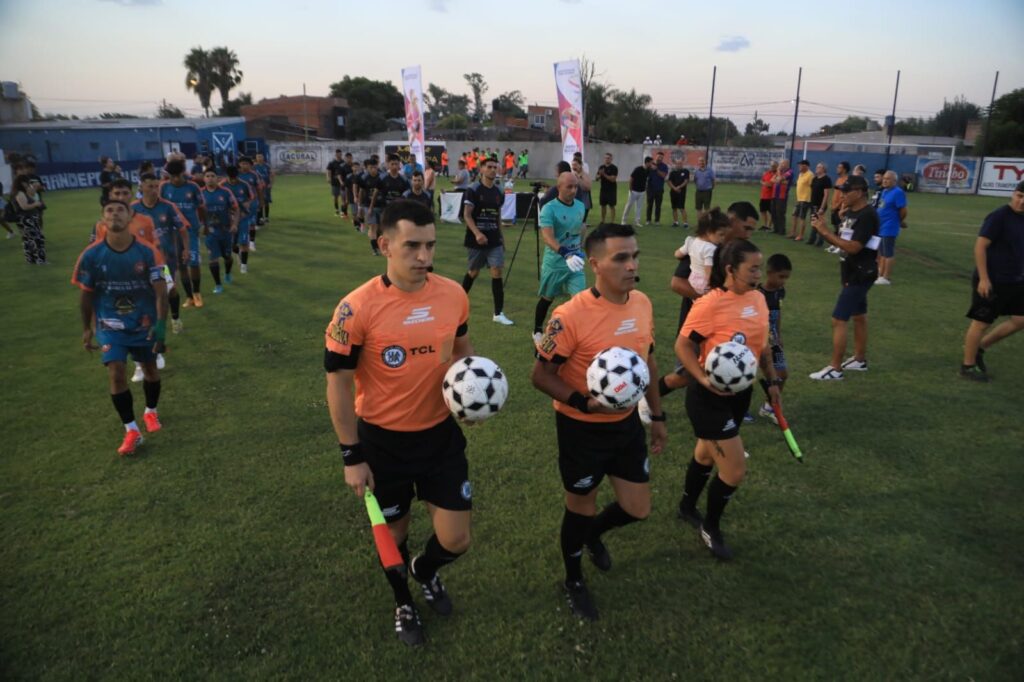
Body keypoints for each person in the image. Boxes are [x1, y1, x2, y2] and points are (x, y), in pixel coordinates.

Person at [324, 199, 476, 647]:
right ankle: (403, 601)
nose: (424, 256)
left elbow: (462, 349)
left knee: (457, 539)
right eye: (412, 246)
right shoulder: (356, 308)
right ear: (384, 245)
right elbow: (338, 384)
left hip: (440, 437)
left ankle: (424, 571)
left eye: (430, 245)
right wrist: (351, 456)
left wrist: (469, 394)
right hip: (382, 444)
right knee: (395, 536)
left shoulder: (453, 294)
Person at [531, 222, 667, 620]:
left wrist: (657, 415)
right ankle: (573, 579)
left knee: (637, 508)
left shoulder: (642, 303)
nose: (632, 265)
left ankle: (591, 536)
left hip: (626, 426)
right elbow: (541, 375)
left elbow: (648, 363)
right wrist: (585, 404)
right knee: (581, 507)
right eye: (621, 258)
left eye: (634, 256)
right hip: (581, 429)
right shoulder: (569, 316)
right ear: (595, 264)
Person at [675, 238, 780, 559]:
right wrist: (702, 378)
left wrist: (772, 381)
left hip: (740, 394)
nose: (759, 274)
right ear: (731, 269)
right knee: (734, 471)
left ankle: (686, 507)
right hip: (708, 398)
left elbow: (762, 346)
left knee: (706, 455)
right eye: (753, 268)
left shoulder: (759, 299)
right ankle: (711, 527)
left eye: (760, 268)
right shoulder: (710, 303)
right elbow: (683, 345)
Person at [72, 199, 169, 456]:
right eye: (109, 210)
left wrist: (160, 327)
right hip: (109, 325)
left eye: (120, 210)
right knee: (116, 372)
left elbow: (161, 293)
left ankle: (150, 411)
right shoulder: (91, 255)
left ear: (129, 218)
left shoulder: (148, 252)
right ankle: (131, 430)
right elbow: (86, 293)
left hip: (143, 323)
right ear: (103, 220)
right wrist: (86, 328)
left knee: (150, 370)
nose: (115, 214)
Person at [658, 202, 759, 398]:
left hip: (728, 324)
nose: (748, 235)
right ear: (731, 221)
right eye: (746, 228)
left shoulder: (741, 253)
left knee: (734, 364)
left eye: (751, 230)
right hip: (697, 321)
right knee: (686, 374)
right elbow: (677, 283)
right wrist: (709, 301)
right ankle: (649, 398)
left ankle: (733, 407)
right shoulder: (704, 247)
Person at [808, 175, 880, 380]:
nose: (842, 195)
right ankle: (859, 359)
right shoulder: (851, 212)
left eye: (846, 191)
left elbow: (854, 247)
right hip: (851, 271)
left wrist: (824, 231)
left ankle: (835, 368)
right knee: (859, 316)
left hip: (860, 274)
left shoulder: (867, 215)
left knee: (839, 319)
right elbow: (842, 240)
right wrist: (826, 227)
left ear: (859, 192)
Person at [959, 181, 1024, 382]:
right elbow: (980, 247)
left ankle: (980, 347)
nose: (1022, 201)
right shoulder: (999, 216)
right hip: (993, 279)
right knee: (981, 322)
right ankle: (968, 366)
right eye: (1020, 196)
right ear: (1013, 194)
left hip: (1016, 279)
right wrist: (984, 279)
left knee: (1021, 320)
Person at [533, 172, 587, 342]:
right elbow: (547, 237)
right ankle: (537, 330)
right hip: (555, 263)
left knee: (580, 301)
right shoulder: (549, 209)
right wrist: (565, 253)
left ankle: (577, 335)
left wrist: (581, 248)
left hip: (575, 263)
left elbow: (582, 227)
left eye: (576, 187)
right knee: (547, 298)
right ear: (559, 187)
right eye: (569, 187)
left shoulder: (580, 206)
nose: (573, 190)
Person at [461, 156, 514, 325]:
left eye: (494, 167)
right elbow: (467, 215)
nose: (492, 170)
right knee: (473, 272)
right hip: (476, 240)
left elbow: (497, 215)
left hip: (494, 239)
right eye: (489, 167)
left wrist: (501, 237)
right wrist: (477, 233)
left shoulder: (499, 191)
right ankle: (457, 302)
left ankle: (498, 313)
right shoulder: (473, 189)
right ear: (481, 169)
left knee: (497, 271)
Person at [160, 160, 205, 307]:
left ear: (183, 173)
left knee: (193, 262)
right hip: (172, 232)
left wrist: (204, 224)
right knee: (181, 265)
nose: (175, 179)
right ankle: (189, 297)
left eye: (177, 176)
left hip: (190, 230)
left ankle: (197, 293)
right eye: (172, 176)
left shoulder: (193, 187)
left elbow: (201, 206)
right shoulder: (164, 187)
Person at [756, 254, 792, 423]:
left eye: (786, 277)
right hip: (757, 341)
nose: (783, 281)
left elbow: (777, 313)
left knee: (782, 374)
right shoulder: (757, 293)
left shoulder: (780, 292)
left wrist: (778, 334)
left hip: (773, 340)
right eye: (781, 276)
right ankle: (737, 410)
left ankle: (768, 407)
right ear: (769, 273)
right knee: (746, 375)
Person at [200, 168, 240, 295]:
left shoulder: (225, 192)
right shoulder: (200, 193)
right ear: (204, 179)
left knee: (227, 257)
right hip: (210, 231)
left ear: (217, 178)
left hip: (225, 230)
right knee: (213, 258)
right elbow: (196, 211)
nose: (210, 178)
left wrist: (234, 224)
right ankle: (218, 284)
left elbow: (236, 209)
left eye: (213, 176)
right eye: (207, 176)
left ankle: (227, 273)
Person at [676, 208, 730, 296]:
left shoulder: (691, 241)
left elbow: (677, 254)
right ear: (708, 232)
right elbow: (708, 270)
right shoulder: (710, 249)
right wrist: (710, 286)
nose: (723, 238)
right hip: (703, 284)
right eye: (721, 234)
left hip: (692, 281)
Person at [221, 165, 256, 273]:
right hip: (229, 219)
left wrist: (247, 204)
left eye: (235, 178)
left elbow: (251, 197)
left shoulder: (244, 185)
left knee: (244, 242)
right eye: (231, 178)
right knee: (232, 244)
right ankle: (237, 253)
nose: (233, 180)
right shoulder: (222, 185)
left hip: (243, 217)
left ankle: (244, 265)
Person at [875, 170, 908, 285]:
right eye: (884, 178)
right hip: (881, 226)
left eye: (888, 179)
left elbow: (903, 210)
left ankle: (886, 277)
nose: (885, 180)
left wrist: (899, 221)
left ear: (894, 181)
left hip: (889, 226)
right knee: (881, 252)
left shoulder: (898, 192)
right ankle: (880, 274)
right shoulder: (884, 191)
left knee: (887, 253)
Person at [11, 174, 47, 264]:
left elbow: (33, 195)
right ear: (21, 183)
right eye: (26, 182)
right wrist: (36, 204)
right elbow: (24, 206)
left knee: (28, 240)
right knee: (37, 239)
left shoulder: (22, 192)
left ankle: (31, 260)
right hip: (26, 219)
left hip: (27, 218)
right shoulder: (19, 193)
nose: (28, 184)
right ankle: (41, 260)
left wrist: (33, 188)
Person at [237, 157, 265, 252]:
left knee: (252, 223)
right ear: (239, 164)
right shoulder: (237, 175)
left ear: (250, 165)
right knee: (239, 223)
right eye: (242, 163)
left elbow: (259, 189)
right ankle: (241, 242)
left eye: (246, 164)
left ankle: (252, 242)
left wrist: (261, 202)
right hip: (240, 203)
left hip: (252, 202)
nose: (244, 165)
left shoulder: (254, 175)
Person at [358, 158, 384, 255]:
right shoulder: (364, 178)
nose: (373, 169)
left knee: (380, 228)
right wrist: (360, 206)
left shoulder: (382, 177)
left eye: (374, 167)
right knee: (373, 226)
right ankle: (374, 249)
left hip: (381, 205)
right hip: (368, 205)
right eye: (371, 167)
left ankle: (378, 243)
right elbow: (361, 192)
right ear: (367, 168)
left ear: (377, 167)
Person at [826, 162, 851, 254]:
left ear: (844, 169)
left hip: (840, 208)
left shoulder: (847, 180)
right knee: (835, 227)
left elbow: (843, 195)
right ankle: (834, 244)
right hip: (834, 207)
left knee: (841, 227)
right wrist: (832, 204)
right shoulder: (838, 179)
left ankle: (840, 246)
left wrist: (837, 206)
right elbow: (836, 193)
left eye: (839, 167)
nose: (837, 168)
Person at [806, 163, 832, 247]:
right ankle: (812, 239)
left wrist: (822, 207)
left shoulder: (826, 179)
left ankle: (820, 241)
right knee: (814, 222)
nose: (817, 168)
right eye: (817, 166)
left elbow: (826, 194)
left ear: (823, 169)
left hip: (820, 205)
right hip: (813, 204)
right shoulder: (815, 179)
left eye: (819, 167)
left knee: (820, 223)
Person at [621, 157, 651, 227]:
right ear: (647, 162)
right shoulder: (638, 169)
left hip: (642, 191)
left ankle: (637, 221)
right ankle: (623, 221)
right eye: (651, 163)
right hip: (634, 191)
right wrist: (630, 188)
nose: (651, 164)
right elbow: (631, 178)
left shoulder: (648, 170)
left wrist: (645, 188)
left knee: (639, 207)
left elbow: (646, 179)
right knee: (629, 205)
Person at [790, 159, 813, 240]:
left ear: (805, 166)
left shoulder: (810, 175)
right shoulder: (800, 174)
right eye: (799, 165)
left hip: (805, 199)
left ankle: (801, 235)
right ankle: (793, 233)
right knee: (794, 215)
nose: (799, 166)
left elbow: (812, 187)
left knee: (802, 217)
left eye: (800, 165)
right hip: (799, 199)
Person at [645, 152, 669, 225]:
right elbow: (645, 174)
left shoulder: (664, 166)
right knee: (649, 205)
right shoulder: (650, 164)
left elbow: (663, 175)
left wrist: (656, 169)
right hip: (650, 189)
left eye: (661, 157)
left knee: (658, 206)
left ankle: (657, 221)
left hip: (659, 189)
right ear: (656, 156)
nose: (660, 158)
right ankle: (648, 220)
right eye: (659, 157)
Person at [771, 159, 793, 236]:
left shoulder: (789, 172)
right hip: (774, 195)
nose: (781, 165)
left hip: (782, 196)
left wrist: (779, 175)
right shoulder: (780, 172)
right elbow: (772, 180)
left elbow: (779, 179)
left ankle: (782, 230)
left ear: (787, 164)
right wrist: (780, 180)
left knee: (780, 213)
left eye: (782, 164)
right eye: (780, 164)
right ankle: (776, 228)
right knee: (773, 212)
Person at [667, 158, 690, 228]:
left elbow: (686, 181)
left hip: (681, 192)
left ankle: (685, 223)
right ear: (675, 164)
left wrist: (679, 187)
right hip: (673, 192)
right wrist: (674, 188)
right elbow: (669, 182)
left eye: (680, 163)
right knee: (674, 208)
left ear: (682, 164)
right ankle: (675, 222)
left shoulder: (686, 171)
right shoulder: (672, 172)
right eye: (677, 163)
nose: (678, 165)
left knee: (682, 208)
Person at [596, 153, 618, 224]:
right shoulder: (601, 167)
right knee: (603, 205)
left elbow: (613, 179)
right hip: (603, 189)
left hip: (611, 190)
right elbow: (596, 178)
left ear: (611, 159)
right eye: (605, 158)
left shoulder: (614, 168)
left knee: (612, 206)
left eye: (608, 158)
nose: (607, 159)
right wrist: (599, 175)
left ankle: (612, 222)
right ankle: (603, 220)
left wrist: (604, 174)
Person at [326, 149, 348, 217]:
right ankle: (336, 209)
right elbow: (328, 171)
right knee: (335, 197)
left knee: (343, 198)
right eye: (338, 154)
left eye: (340, 154)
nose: (340, 155)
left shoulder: (343, 162)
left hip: (342, 182)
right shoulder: (332, 163)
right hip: (335, 182)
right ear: (335, 154)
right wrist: (328, 178)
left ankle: (343, 211)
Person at [253, 152, 273, 224]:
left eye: (260, 156)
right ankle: (261, 217)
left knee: (266, 201)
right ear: (256, 158)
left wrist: (270, 183)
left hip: (266, 186)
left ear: (263, 157)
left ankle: (266, 217)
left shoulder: (267, 166)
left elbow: (271, 175)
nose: (259, 158)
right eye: (258, 157)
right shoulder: (254, 167)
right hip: (258, 187)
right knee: (260, 202)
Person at [571, 158, 593, 223]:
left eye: (575, 165)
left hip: (584, 202)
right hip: (573, 201)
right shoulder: (571, 174)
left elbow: (588, 187)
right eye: (572, 165)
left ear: (580, 165)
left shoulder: (585, 175)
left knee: (582, 222)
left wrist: (579, 178)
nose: (573, 167)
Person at [758, 162, 777, 232]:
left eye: (774, 166)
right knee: (763, 210)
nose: (772, 167)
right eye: (771, 166)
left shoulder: (777, 174)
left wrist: (767, 184)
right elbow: (762, 180)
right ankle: (765, 225)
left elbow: (771, 184)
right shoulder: (767, 173)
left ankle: (769, 226)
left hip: (771, 196)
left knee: (771, 212)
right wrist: (764, 183)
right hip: (763, 196)